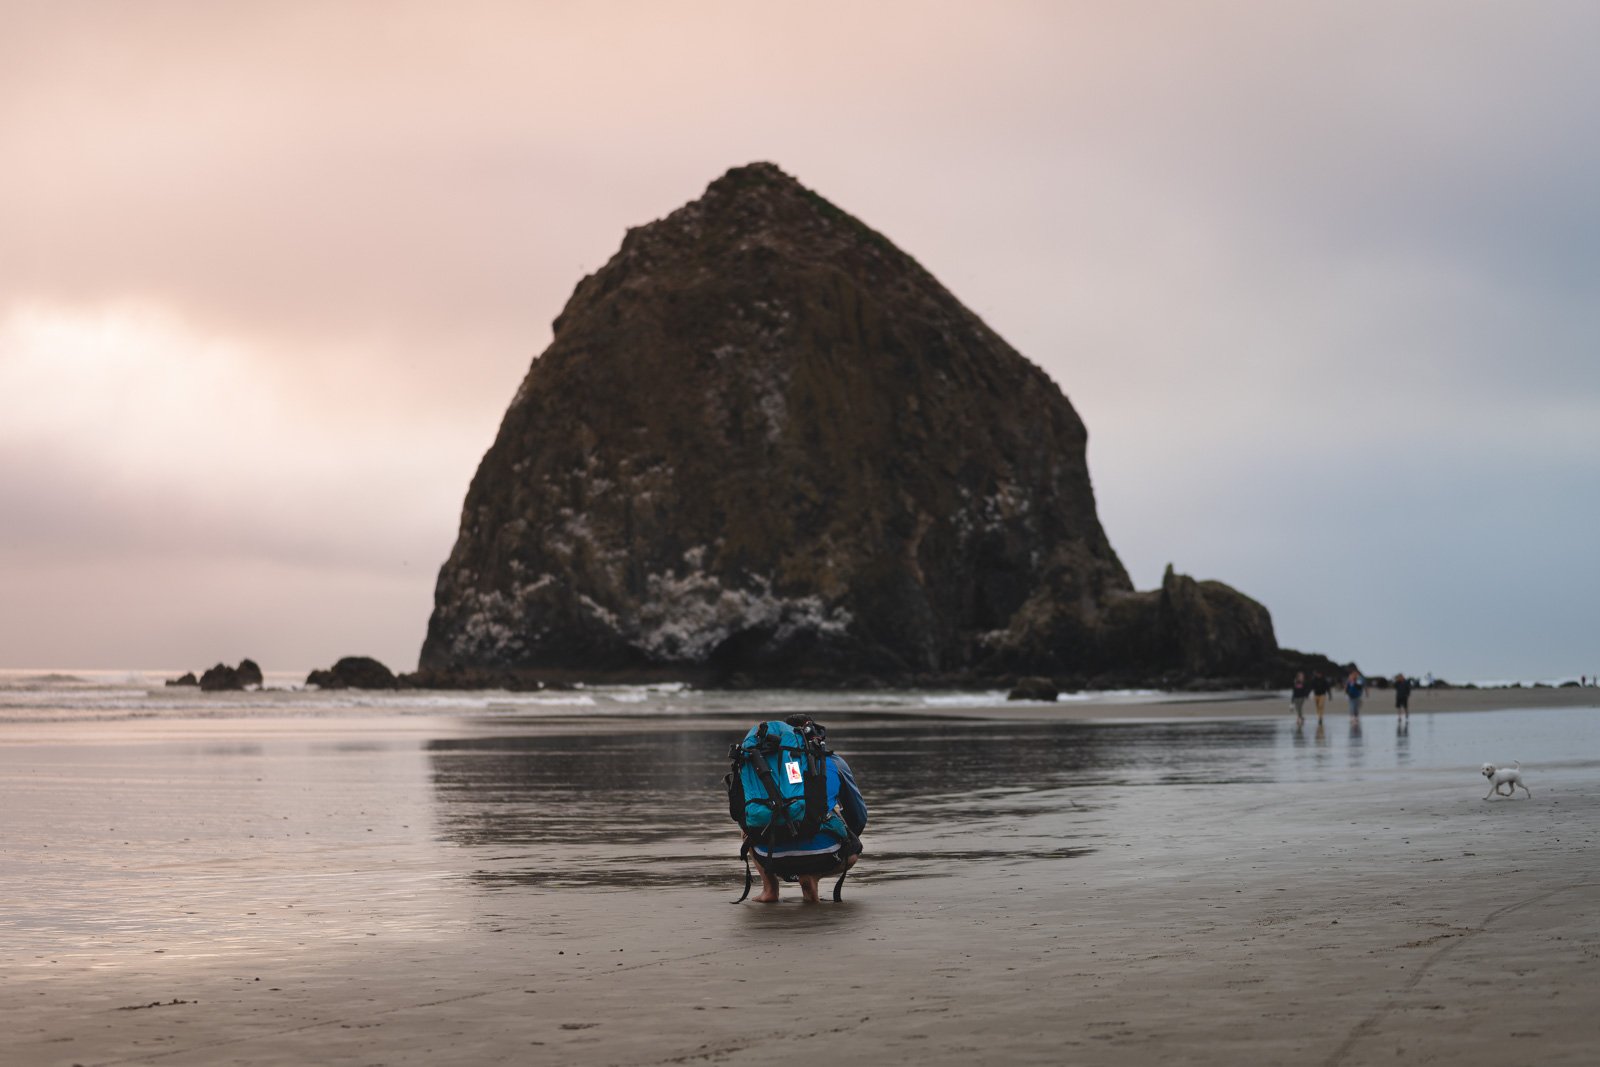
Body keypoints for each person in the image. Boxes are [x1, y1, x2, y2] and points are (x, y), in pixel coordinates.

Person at [742, 716, 867, 904]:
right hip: (825, 853)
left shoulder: (759, 764)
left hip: (770, 855)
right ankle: (811, 877)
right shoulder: (833, 762)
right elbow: (858, 815)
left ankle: (770, 889)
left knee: (752, 819)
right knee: (831, 811)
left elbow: (739, 814)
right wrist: (849, 840)